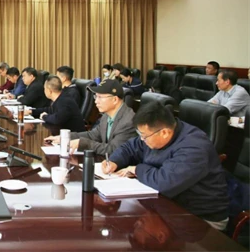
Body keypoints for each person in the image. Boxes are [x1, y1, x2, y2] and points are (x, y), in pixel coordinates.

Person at [102, 100, 230, 230]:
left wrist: (137, 169)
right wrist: (114, 161)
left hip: (200, 218)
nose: (141, 139)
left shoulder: (194, 148)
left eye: (144, 136)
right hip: (170, 206)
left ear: (164, 133)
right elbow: (130, 147)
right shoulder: (154, 133)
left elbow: (164, 183)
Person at [45, 79, 136, 155]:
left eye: (100, 97)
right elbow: (92, 135)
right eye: (96, 96)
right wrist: (65, 137)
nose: (96, 101)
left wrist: (84, 144)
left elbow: (113, 150)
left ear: (115, 99)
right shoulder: (106, 116)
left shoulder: (128, 121)